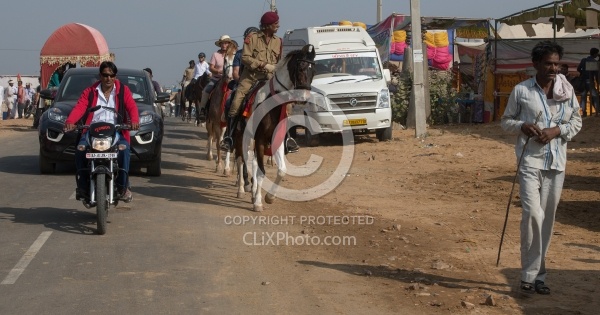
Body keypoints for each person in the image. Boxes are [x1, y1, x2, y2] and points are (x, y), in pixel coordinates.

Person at [501, 41, 582, 296]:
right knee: (533, 215)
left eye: (556, 63)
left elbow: (577, 121)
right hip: (529, 161)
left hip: (556, 164)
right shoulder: (522, 91)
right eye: (548, 63)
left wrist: (557, 130)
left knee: (546, 221)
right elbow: (506, 121)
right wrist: (523, 126)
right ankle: (528, 273)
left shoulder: (566, 90)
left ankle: (538, 276)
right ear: (536, 64)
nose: (553, 68)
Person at [221, 11, 299, 153]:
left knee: (287, 105)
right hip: (250, 77)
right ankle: (229, 137)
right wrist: (263, 65)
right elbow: (245, 57)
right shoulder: (252, 38)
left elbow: (280, 61)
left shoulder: (278, 41)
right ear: (267, 25)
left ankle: (287, 138)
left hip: (270, 78)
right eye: (275, 24)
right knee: (236, 102)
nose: (278, 26)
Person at [63, 61, 140, 203]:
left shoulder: (123, 91)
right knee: (80, 149)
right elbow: (80, 108)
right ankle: (83, 187)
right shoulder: (90, 92)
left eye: (112, 75)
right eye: (105, 75)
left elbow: (132, 107)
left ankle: (123, 188)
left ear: (115, 77)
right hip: (91, 131)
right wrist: (70, 122)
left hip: (115, 131)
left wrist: (134, 121)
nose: (108, 78)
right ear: (100, 76)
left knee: (123, 150)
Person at [197, 34, 232, 120]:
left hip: (230, 79)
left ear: (229, 44)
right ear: (220, 44)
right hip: (217, 78)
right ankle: (202, 110)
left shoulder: (232, 55)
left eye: (226, 43)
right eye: (222, 43)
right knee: (205, 91)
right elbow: (211, 68)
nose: (224, 45)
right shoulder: (215, 54)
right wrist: (218, 71)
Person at [576, 47, 599, 116]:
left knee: (583, 96)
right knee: (595, 96)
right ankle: (597, 111)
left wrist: (582, 73)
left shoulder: (583, 60)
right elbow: (596, 74)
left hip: (583, 80)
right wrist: (597, 82)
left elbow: (578, 68)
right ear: (595, 54)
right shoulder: (594, 62)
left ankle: (584, 112)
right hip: (590, 80)